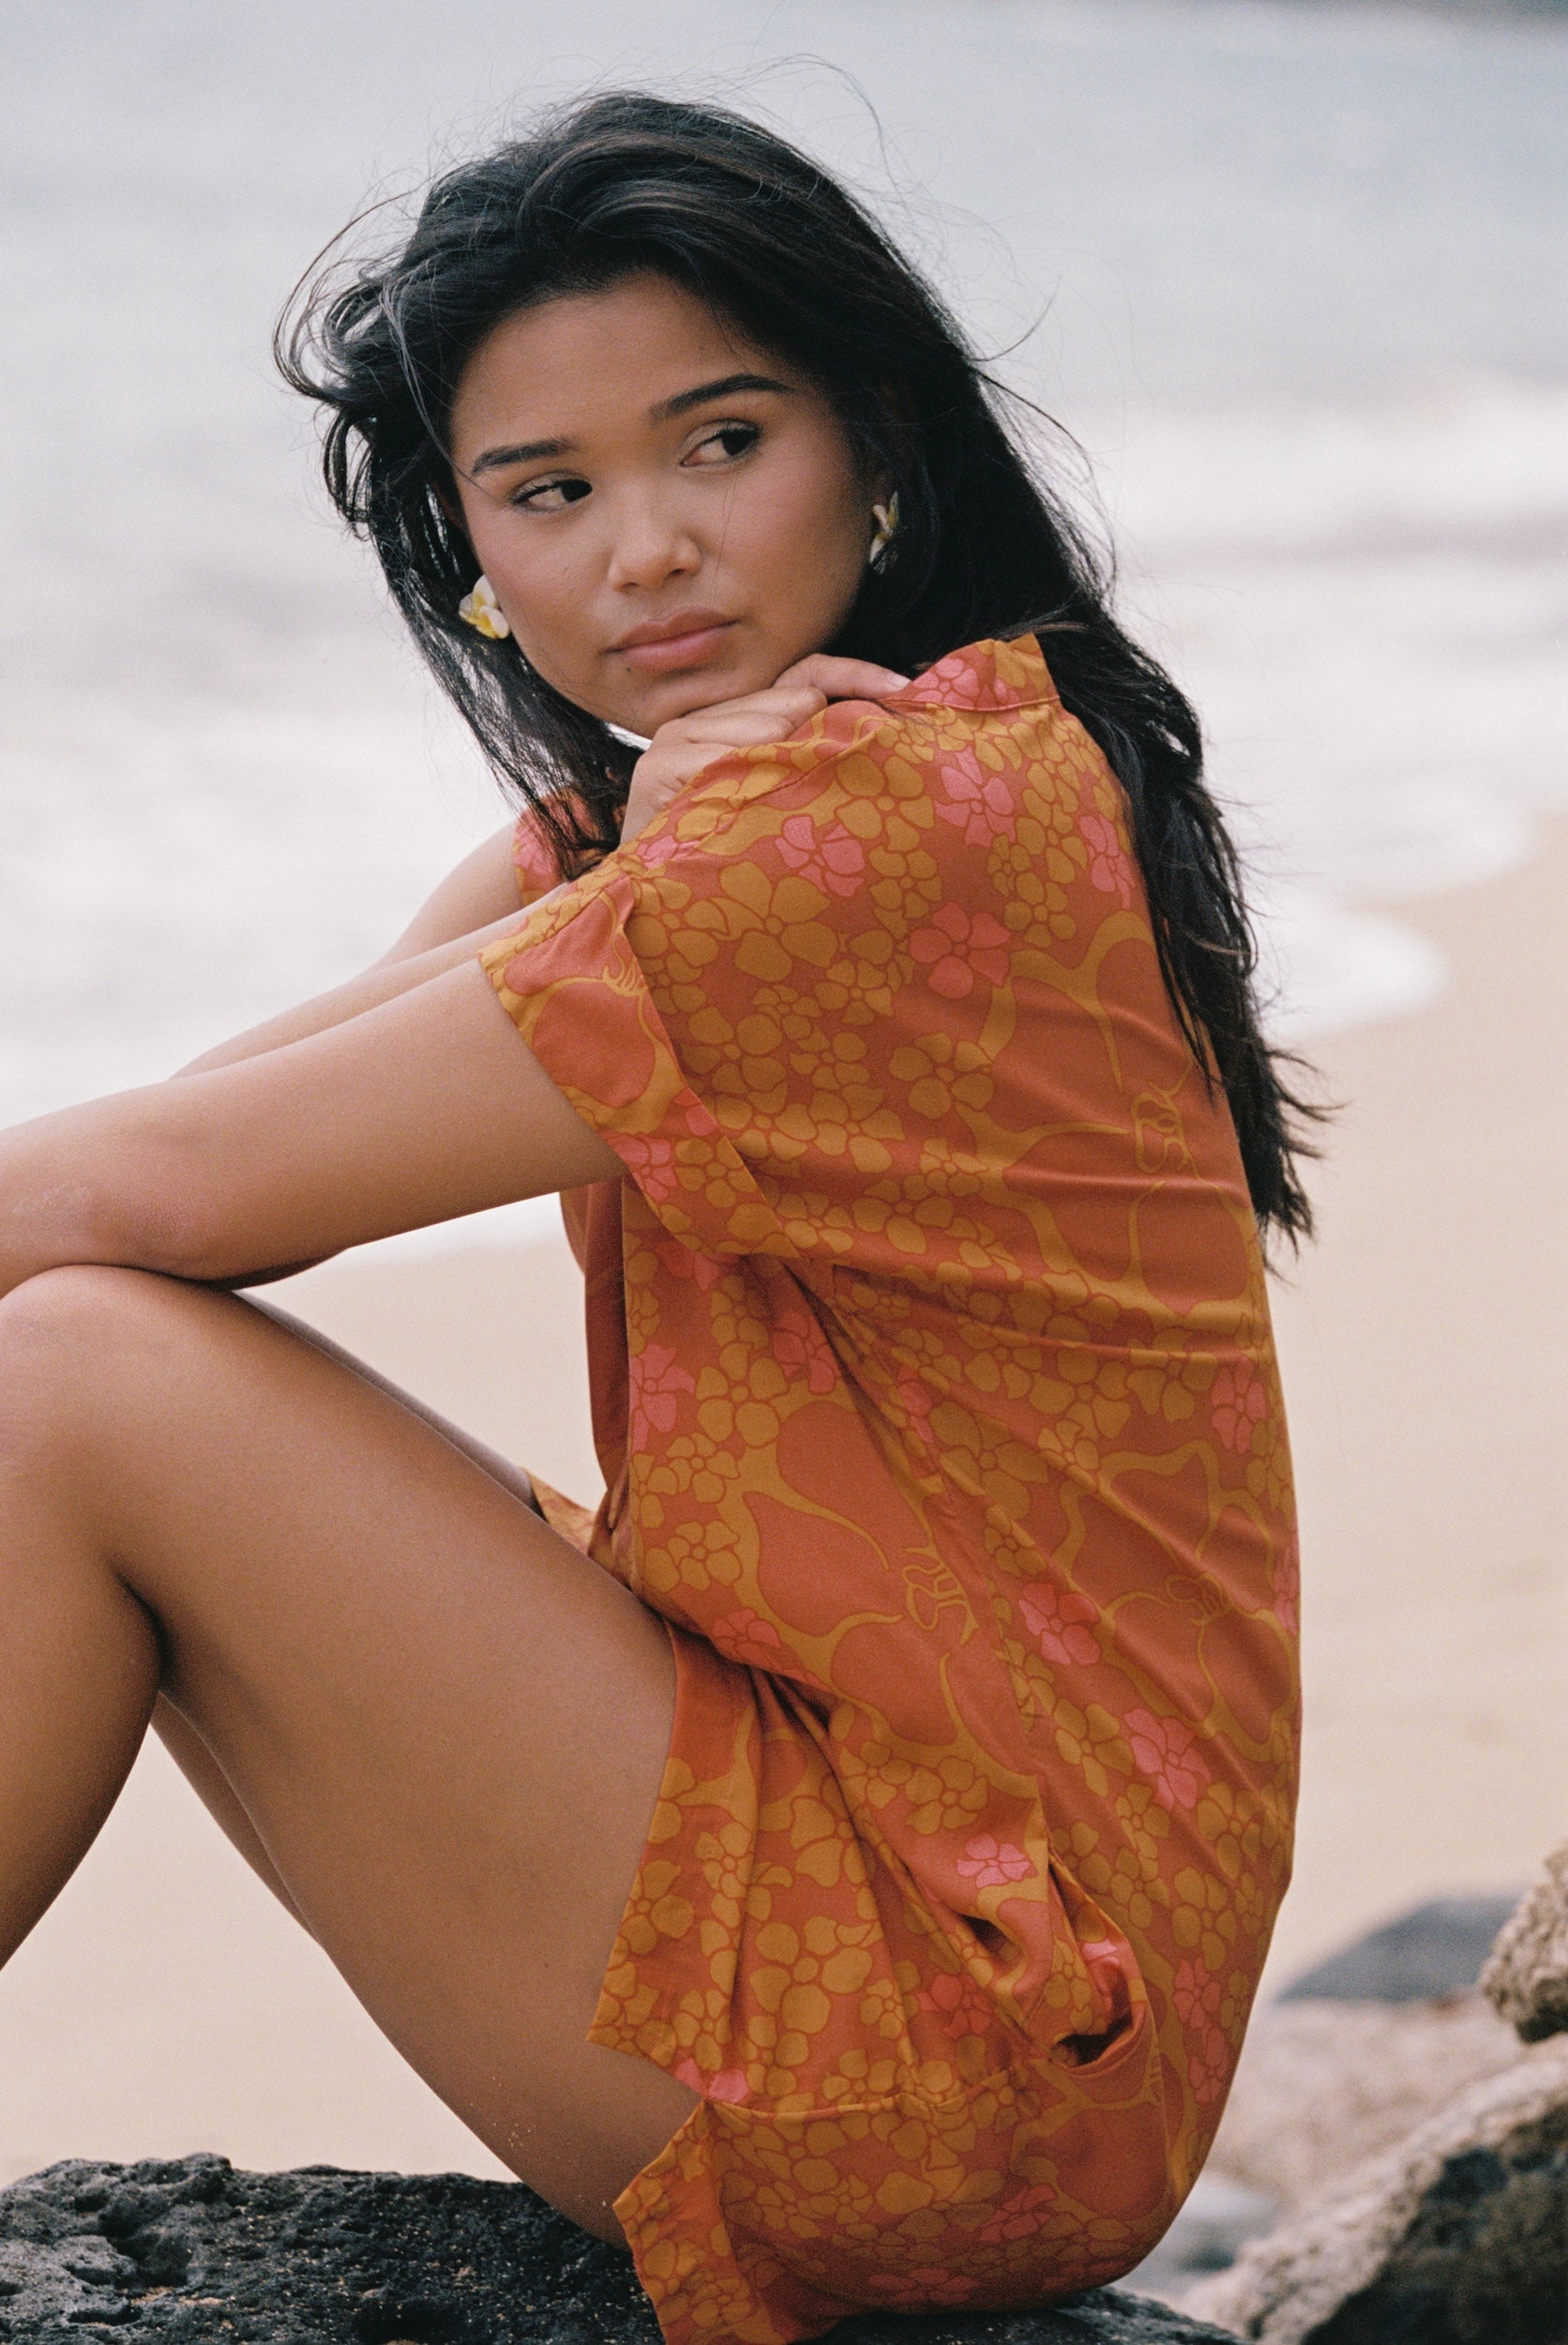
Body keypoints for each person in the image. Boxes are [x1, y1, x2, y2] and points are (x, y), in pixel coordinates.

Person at [0, 91, 1309, 2345]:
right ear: (467, 552)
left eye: (721, 441)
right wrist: (600, 842)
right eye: (550, 491)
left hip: (966, 2035)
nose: (650, 550)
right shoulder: (690, 829)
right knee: (88, 1349)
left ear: (873, 443)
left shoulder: (878, 828)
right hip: (948, 1921)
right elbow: (191, 1149)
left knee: (79, 1383)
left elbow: (146, 1203)